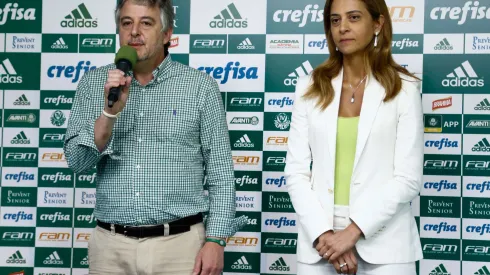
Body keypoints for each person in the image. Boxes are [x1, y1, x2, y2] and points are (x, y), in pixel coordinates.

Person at [63, 0, 246, 274]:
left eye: (146, 23)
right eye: (127, 23)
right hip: (111, 248)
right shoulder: (94, 84)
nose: (134, 31)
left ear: (167, 34)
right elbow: (77, 162)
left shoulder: (200, 87)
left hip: (181, 247)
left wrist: (216, 240)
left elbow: (220, 172)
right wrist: (109, 113)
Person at [284, 0, 423, 274]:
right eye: (335, 20)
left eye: (354, 17)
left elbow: (408, 178)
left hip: (387, 245)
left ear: (378, 24)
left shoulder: (404, 88)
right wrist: (325, 234)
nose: (343, 28)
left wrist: (353, 231)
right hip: (318, 243)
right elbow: (296, 172)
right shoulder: (308, 87)